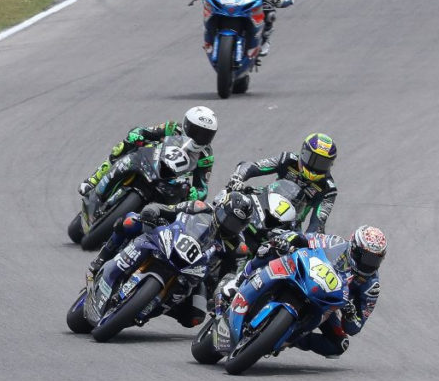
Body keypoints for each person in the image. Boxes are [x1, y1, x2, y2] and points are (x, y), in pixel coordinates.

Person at [87, 193, 255, 327]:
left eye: (235, 224)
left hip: (195, 273)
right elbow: (169, 209)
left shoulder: (238, 246)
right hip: (167, 240)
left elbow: (232, 275)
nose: (228, 224)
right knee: (130, 221)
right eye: (227, 217)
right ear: (220, 209)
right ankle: (101, 258)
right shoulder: (200, 207)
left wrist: (220, 289)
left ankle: (147, 308)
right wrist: (152, 212)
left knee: (195, 317)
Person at [227, 225, 387, 358]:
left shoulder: (371, 286)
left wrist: (350, 315)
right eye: (367, 258)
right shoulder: (335, 243)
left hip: (327, 303)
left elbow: (355, 327)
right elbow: (303, 237)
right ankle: (240, 280)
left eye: (375, 260)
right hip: (304, 276)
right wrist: (286, 239)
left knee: (339, 345)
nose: (370, 265)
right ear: (355, 249)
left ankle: (289, 337)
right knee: (271, 248)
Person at [78, 106, 217, 203]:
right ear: (187, 125)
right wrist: (136, 134)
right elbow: (145, 131)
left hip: (174, 182)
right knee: (123, 146)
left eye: (206, 135)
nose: (200, 138)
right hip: (153, 161)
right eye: (196, 131)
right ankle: (94, 179)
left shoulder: (206, 155)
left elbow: (202, 187)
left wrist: (196, 194)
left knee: (189, 205)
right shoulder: (173, 128)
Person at [226, 132, 337, 233]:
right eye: (311, 159)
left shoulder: (328, 189)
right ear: (303, 153)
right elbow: (254, 166)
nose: (314, 167)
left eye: (322, 163)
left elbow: (317, 223)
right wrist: (238, 177)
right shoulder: (288, 159)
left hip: (290, 226)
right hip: (262, 203)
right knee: (231, 206)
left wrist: (307, 241)